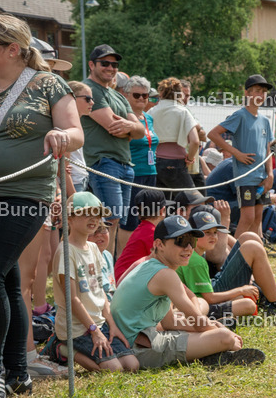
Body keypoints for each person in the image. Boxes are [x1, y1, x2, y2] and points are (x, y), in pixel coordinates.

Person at [0, 14, 83, 398]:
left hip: (24, 196)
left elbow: (76, 131)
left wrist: (62, 134)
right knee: (8, 279)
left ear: (12, 49)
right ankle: (16, 373)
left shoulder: (48, 83)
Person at [108, 215, 265, 368]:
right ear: (159, 244)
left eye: (191, 241)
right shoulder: (165, 274)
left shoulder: (149, 265)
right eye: (181, 241)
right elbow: (198, 322)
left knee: (208, 330)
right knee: (224, 337)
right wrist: (222, 332)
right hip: (140, 350)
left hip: (135, 343)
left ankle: (207, 354)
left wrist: (212, 324)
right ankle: (213, 353)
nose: (189, 248)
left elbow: (169, 322)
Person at [51, 192, 138, 374]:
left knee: (132, 365)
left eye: (97, 214)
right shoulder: (66, 251)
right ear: (70, 218)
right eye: (85, 213)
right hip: (77, 328)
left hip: (98, 323)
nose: (93, 219)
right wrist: (94, 331)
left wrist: (111, 325)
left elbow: (100, 292)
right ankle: (64, 347)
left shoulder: (93, 248)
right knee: (113, 370)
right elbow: (72, 299)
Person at [81, 44, 144, 241]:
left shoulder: (118, 95)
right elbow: (114, 128)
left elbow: (142, 132)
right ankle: (98, 267)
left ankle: (107, 267)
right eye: (105, 63)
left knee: (114, 222)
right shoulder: (89, 90)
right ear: (92, 65)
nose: (111, 68)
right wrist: (131, 127)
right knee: (106, 221)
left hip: (124, 165)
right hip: (103, 162)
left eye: (114, 64)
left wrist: (130, 128)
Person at [206, 75, 275, 238]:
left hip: (262, 176)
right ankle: (233, 257)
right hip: (245, 176)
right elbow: (213, 134)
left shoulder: (265, 120)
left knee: (258, 217)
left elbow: (267, 148)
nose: (261, 95)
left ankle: (256, 252)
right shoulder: (240, 115)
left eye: (264, 92)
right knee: (248, 217)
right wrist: (237, 153)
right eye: (257, 91)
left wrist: (270, 174)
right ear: (247, 93)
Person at [117, 75, 158, 255]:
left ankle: (142, 257)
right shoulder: (122, 117)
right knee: (129, 221)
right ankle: (123, 260)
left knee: (149, 218)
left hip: (151, 172)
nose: (142, 98)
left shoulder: (149, 118)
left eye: (145, 95)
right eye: (136, 95)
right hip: (133, 174)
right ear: (126, 96)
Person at [151, 77, 199, 192]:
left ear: (161, 93)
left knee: (161, 203)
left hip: (155, 163)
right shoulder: (183, 111)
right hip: (177, 163)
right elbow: (195, 141)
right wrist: (190, 158)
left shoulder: (151, 111)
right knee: (193, 200)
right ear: (180, 94)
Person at [114, 189, 170, 283]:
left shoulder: (144, 228)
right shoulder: (151, 234)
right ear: (162, 211)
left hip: (125, 279)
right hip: (126, 283)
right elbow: (166, 263)